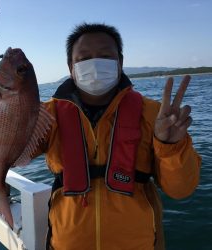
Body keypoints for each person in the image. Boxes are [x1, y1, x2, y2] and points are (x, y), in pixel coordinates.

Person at [32, 23, 201, 250]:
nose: (94, 63)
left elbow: (181, 189)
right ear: (70, 67)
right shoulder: (46, 115)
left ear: (120, 62)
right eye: (84, 58)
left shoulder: (154, 114)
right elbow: (6, 153)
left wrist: (171, 145)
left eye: (105, 56)